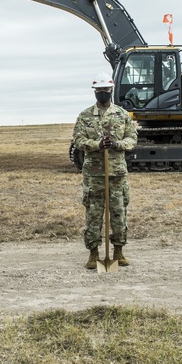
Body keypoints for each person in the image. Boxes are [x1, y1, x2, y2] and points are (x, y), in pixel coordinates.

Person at [72, 72, 138, 269]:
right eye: (99, 90)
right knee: (93, 215)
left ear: (111, 91)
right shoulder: (85, 116)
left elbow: (132, 139)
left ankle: (118, 252)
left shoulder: (121, 115)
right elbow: (78, 140)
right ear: (95, 92)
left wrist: (117, 143)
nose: (102, 93)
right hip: (94, 175)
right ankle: (93, 255)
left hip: (116, 174)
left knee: (119, 214)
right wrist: (97, 144)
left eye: (106, 90)